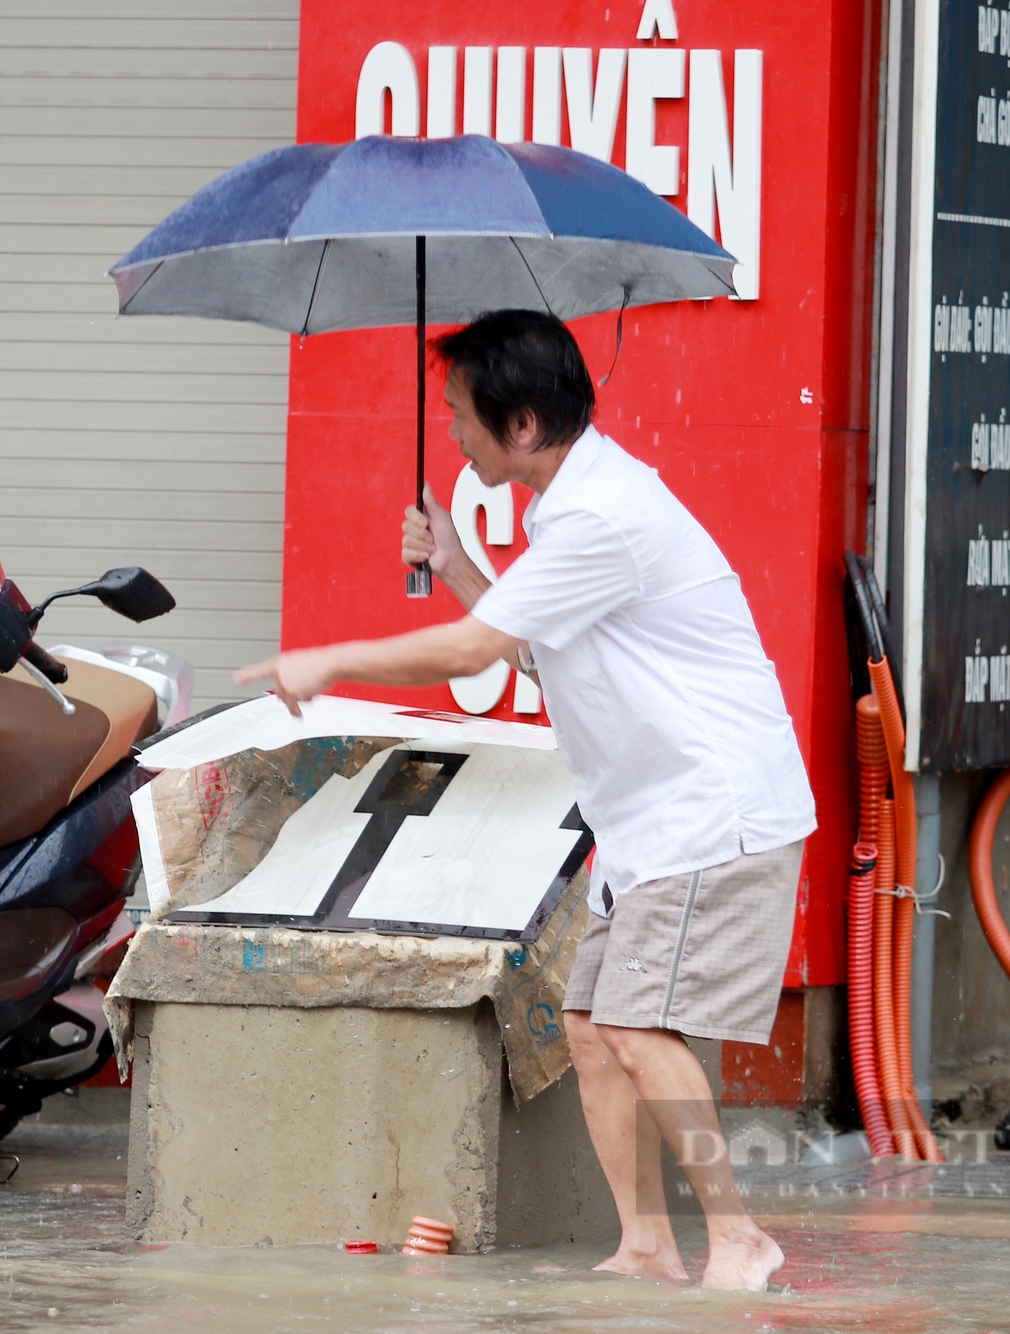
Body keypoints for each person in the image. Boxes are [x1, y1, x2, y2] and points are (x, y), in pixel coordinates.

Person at [236, 308, 816, 1292]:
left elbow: (473, 652)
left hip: (712, 812)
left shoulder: (602, 515)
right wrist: (457, 559)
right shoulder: (569, 509)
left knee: (638, 1026)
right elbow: (531, 644)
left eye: (460, 413)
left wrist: (324, 659)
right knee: (590, 1027)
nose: (451, 431)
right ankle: (645, 1242)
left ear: (520, 425)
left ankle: (738, 1234)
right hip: (644, 819)